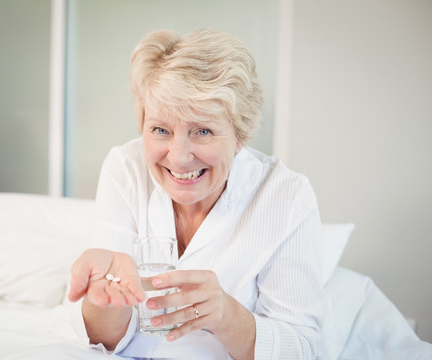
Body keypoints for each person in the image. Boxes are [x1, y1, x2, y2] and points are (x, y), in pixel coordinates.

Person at [68, 28, 324, 359]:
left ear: (240, 134)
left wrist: (227, 315)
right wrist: (104, 300)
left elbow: (303, 349)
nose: (178, 157)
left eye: (202, 131)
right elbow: (103, 340)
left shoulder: (286, 197)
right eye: (161, 130)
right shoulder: (125, 167)